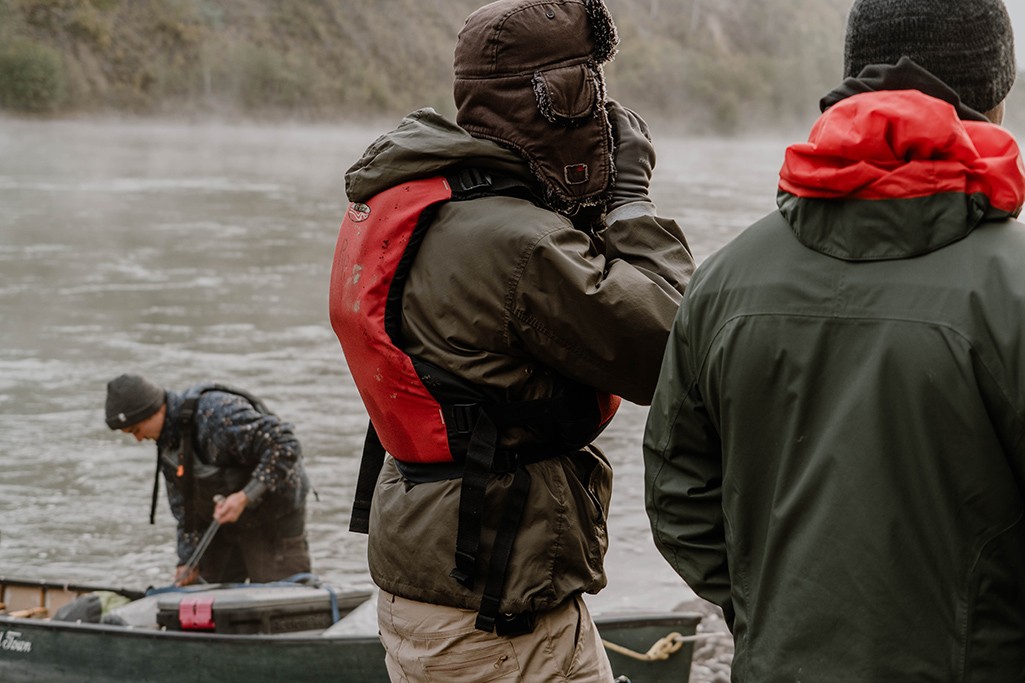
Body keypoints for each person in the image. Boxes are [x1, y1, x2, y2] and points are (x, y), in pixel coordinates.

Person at [643, 0, 1025, 680]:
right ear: (993, 97)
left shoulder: (724, 278)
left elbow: (678, 494)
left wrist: (766, 610)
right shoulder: (1014, 286)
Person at [328, 0, 694, 679]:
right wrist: (632, 202)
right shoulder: (512, 243)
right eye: (588, 91)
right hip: (494, 617)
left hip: (453, 580)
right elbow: (676, 342)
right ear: (556, 101)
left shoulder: (434, 199)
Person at [105, 373, 312, 586]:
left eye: (137, 430)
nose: (138, 439)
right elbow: (184, 506)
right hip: (223, 520)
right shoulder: (166, 439)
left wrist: (244, 497)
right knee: (206, 597)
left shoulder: (217, 414)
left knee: (276, 598)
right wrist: (186, 560)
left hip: (273, 517)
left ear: (155, 410)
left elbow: (286, 444)